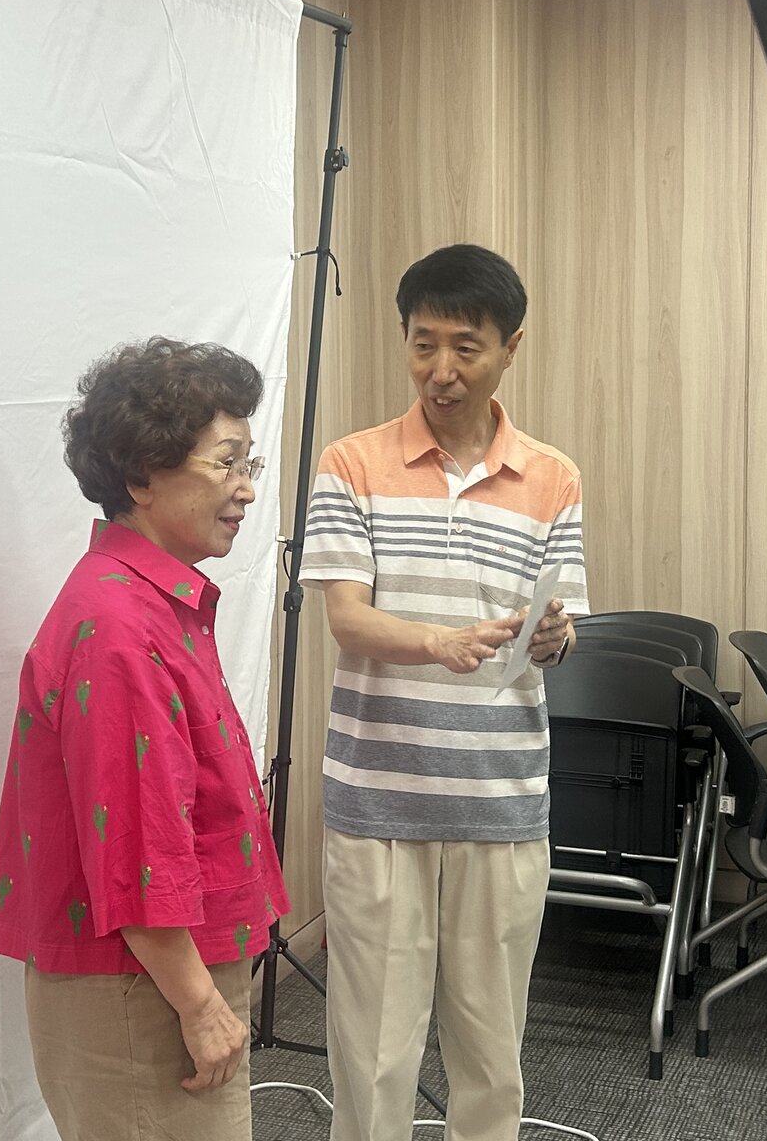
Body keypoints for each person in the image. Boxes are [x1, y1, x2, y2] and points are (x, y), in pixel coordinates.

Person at [298, 244, 590, 1141]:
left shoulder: (553, 477)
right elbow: (347, 619)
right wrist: (441, 642)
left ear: (511, 349)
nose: (442, 370)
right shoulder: (352, 463)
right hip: (378, 802)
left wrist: (555, 636)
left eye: (466, 347)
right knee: (374, 1053)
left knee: (492, 1053)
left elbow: (560, 622)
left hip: (501, 801)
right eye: (423, 344)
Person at [0, 336, 290, 1141]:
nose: (246, 488)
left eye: (250, 464)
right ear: (142, 476)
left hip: (155, 974)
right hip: (142, 988)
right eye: (226, 463)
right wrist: (200, 1003)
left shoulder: (144, 603)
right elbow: (135, 844)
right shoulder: (120, 624)